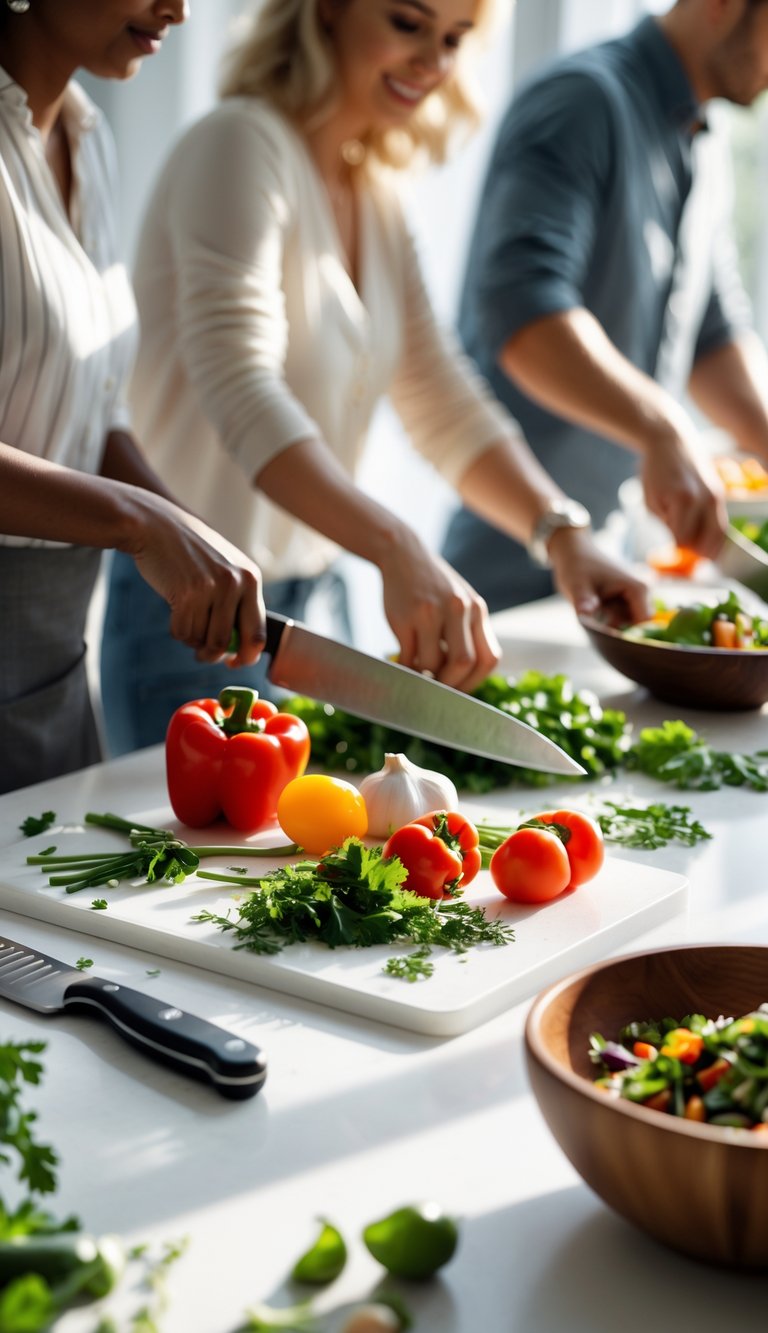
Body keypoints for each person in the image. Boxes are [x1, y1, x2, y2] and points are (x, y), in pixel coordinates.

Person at [100, 0, 650, 756]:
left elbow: (440, 395)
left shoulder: (375, 193)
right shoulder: (238, 144)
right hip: (195, 618)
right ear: (326, 11)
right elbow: (241, 385)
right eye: (407, 23)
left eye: (454, 39)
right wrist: (396, 545)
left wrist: (561, 533)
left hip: (314, 611)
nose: (433, 62)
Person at [0, 0, 268, 796]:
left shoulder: (88, 137)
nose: (179, 10)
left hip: (48, 661)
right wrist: (138, 522)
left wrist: (181, 524)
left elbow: (90, 403)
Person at [443, 0, 768, 612]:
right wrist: (664, 427)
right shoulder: (581, 103)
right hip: (509, 573)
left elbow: (714, 339)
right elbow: (523, 312)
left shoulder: (704, 144)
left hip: (613, 568)